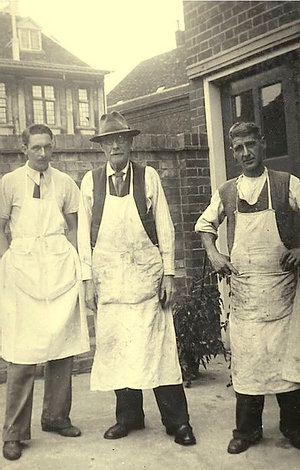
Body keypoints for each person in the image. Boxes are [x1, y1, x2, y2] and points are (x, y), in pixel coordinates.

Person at [78, 111, 196, 446]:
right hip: (111, 281)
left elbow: (165, 226)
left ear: (130, 143)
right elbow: (83, 234)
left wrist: (169, 274)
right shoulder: (91, 182)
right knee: (118, 348)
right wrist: (88, 280)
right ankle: (129, 418)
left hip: (146, 278)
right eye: (109, 141)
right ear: (101, 148)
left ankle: (178, 422)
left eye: (121, 139)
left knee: (158, 349)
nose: (115, 145)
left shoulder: (149, 177)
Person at [195, 121, 300, 454]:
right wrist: (213, 254)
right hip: (245, 295)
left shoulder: (286, 184)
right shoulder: (227, 191)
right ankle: (246, 430)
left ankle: (293, 427)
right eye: (238, 148)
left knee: (288, 362)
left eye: (251, 145)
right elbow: (204, 225)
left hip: (284, 292)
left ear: (263, 144)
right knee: (249, 363)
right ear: (232, 151)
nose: (245, 153)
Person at [0, 124, 90, 461]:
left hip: (58, 268)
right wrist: (7, 263)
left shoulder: (65, 183)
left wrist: (77, 267)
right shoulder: (8, 184)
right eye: (36, 147)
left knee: (61, 348)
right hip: (22, 271)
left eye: (48, 147)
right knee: (21, 355)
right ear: (23, 148)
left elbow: (75, 227)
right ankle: (14, 432)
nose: (42, 154)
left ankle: (56, 417)